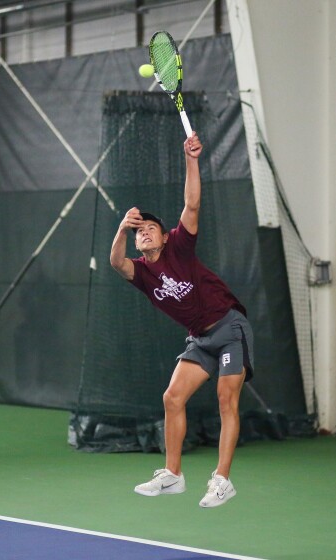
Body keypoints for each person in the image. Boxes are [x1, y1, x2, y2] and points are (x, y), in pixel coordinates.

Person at [109, 132, 254, 508]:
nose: (144, 234)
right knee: (172, 397)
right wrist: (122, 229)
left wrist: (191, 159)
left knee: (226, 401)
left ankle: (222, 480)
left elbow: (192, 203)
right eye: (139, 232)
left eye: (149, 229)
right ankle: (173, 475)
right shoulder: (141, 272)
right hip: (200, 339)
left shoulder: (179, 245)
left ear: (163, 235)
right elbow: (116, 263)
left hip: (229, 327)